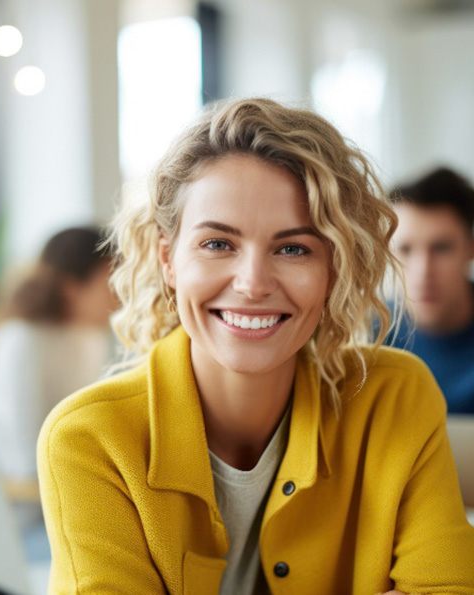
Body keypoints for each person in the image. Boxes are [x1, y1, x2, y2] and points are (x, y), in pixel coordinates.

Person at [38, 99, 474, 595]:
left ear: (333, 269)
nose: (253, 283)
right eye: (218, 244)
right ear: (168, 259)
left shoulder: (396, 396)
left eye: (293, 249)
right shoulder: (91, 440)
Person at [0, 226, 116, 543]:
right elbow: (26, 459)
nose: (119, 295)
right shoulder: (20, 342)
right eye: (108, 282)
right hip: (22, 515)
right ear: (71, 287)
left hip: (66, 501)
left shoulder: (90, 338)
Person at [389, 167, 474, 414]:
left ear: (470, 249)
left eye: (441, 248)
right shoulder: (366, 336)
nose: (423, 271)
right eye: (406, 249)